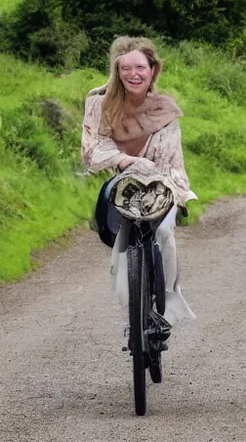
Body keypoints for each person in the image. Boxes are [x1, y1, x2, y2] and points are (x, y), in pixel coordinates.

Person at [80, 36, 196, 330]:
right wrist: (123, 161)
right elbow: (91, 149)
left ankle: (167, 304)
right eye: (126, 68)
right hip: (122, 185)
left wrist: (166, 187)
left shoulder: (164, 109)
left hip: (162, 185)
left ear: (153, 69)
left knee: (166, 234)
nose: (134, 74)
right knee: (120, 241)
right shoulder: (98, 101)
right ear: (116, 71)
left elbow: (170, 161)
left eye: (141, 68)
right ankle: (133, 306)